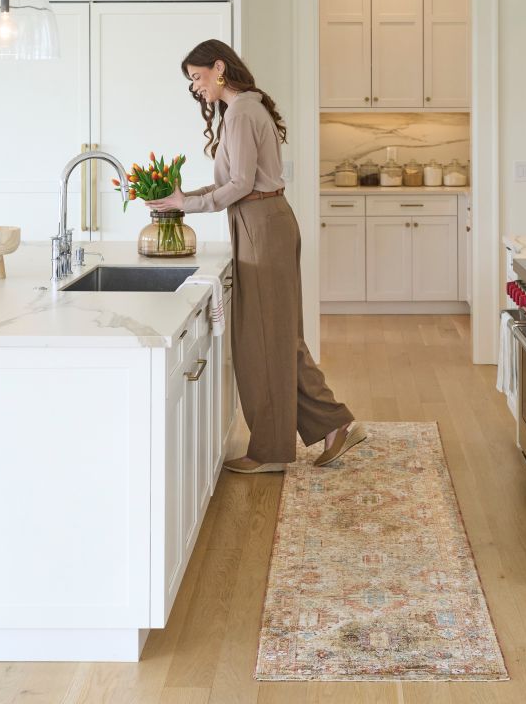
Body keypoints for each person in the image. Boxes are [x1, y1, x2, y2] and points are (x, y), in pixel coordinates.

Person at [149, 39, 365, 473]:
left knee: (266, 340)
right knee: (275, 337)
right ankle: (335, 424)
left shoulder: (243, 112)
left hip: (262, 223)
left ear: (219, 68)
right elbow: (233, 184)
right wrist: (182, 198)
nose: (195, 87)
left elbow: (242, 184)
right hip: (259, 222)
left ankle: (272, 451)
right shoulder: (241, 110)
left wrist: (188, 205)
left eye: (197, 77)